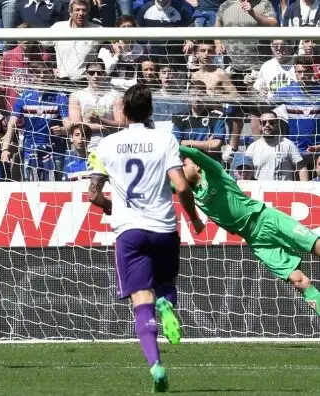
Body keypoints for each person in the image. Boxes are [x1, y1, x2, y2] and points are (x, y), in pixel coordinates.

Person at [87, 84, 204, 393]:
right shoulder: (165, 140)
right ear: (150, 111)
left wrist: (110, 206)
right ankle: (167, 303)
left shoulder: (107, 145)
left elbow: (93, 194)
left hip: (130, 231)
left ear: (124, 111)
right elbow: (181, 187)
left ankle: (156, 366)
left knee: (141, 300)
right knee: (165, 286)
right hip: (164, 228)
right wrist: (193, 219)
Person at [180, 145, 320, 316]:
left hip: (266, 219)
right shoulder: (189, 192)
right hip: (256, 241)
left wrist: (170, 144)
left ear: (198, 166)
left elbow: (194, 152)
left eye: (184, 164)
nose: (180, 169)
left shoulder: (214, 172)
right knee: (299, 282)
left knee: (317, 247)